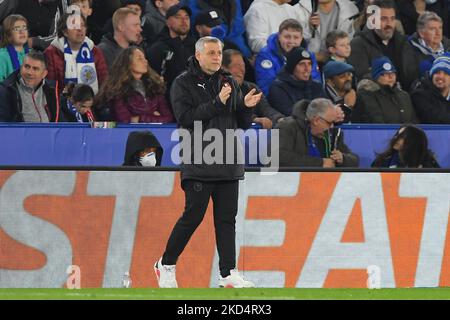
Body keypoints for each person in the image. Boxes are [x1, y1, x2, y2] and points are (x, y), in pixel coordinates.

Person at [154, 36, 262, 288]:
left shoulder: (228, 82)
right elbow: (186, 118)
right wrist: (217, 103)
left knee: (227, 220)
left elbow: (242, 124)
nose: (216, 57)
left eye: (219, 53)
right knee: (193, 216)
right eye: (211, 53)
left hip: (227, 161)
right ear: (198, 55)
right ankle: (166, 264)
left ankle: (228, 273)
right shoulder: (182, 83)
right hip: (199, 161)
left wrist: (245, 107)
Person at [97, 46, 175, 123]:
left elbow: (168, 118)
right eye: (139, 59)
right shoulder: (118, 89)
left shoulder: (154, 86)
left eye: (144, 58)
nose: (145, 61)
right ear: (128, 63)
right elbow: (124, 120)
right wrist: (154, 116)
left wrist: (140, 118)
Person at [275, 97, 359, 167]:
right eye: (329, 123)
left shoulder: (333, 133)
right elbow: (277, 157)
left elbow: (355, 160)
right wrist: (320, 163)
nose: (332, 127)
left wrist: (343, 158)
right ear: (316, 120)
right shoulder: (287, 127)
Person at [348, 0, 409, 88]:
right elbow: (362, 78)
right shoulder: (358, 44)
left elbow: (410, 76)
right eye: (383, 19)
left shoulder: (402, 42)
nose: (389, 24)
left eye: (392, 18)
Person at [44, 13, 108, 94]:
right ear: (65, 31)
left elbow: (104, 82)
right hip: (61, 103)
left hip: (92, 103)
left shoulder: (95, 51)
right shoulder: (51, 53)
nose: (80, 29)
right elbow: (50, 89)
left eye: (82, 25)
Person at [255, 18, 321, 96]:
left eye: (296, 37)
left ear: (301, 38)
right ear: (279, 36)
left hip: (305, 100)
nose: (291, 41)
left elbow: (316, 83)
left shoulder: (309, 56)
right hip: (279, 101)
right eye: (287, 37)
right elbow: (266, 87)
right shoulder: (266, 55)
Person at [222, 49, 285, 128]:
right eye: (237, 65)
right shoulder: (215, 89)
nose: (241, 70)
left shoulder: (251, 88)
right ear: (224, 68)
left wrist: (279, 119)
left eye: (243, 66)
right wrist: (253, 119)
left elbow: (265, 109)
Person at [0, 50, 68, 122]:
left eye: (35, 69)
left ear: (44, 74)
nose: (29, 72)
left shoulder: (53, 90)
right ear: (21, 67)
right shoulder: (6, 91)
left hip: (50, 133)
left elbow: (61, 122)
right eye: (27, 67)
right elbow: (4, 126)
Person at [146, 4, 196, 101]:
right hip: (168, 102)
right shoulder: (157, 49)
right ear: (168, 22)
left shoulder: (197, 47)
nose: (184, 21)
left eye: (187, 17)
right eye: (178, 17)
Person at [352, 56, 418, 124]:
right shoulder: (367, 96)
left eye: (393, 73)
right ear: (376, 77)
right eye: (385, 74)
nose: (390, 77)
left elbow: (414, 121)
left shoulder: (404, 96)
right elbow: (376, 121)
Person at [293, 0, 359, 62]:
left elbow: (352, 42)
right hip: (307, 62)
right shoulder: (298, 10)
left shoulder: (350, 11)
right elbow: (294, 44)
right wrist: (309, 28)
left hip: (339, 62)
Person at [268, 46, 326, 116]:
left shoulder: (316, 86)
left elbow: (326, 110)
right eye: (302, 64)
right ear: (292, 67)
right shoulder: (278, 88)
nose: (307, 69)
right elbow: (290, 114)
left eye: (309, 64)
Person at [403, 12, 450, 91]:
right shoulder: (409, 49)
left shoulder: (448, 46)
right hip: (426, 93)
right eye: (432, 29)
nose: (438, 33)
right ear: (421, 33)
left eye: (440, 28)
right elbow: (411, 80)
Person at [187, 0, 252, 58]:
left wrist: (247, 57)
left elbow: (240, 29)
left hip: (240, 50)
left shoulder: (235, 2)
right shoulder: (193, 4)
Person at [371, 125, 440, 168]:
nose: (396, 138)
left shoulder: (428, 163)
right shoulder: (381, 162)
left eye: (402, 137)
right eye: (397, 135)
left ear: (414, 141)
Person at [411, 53, 450, 124]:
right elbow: (434, 119)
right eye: (437, 72)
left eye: (446, 73)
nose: (441, 76)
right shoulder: (420, 94)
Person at [0, 14, 30, 81]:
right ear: (8, 33)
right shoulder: (2, 57)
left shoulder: (32, 54)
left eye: (24, 28)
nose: (22, 32)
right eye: (16, 29)